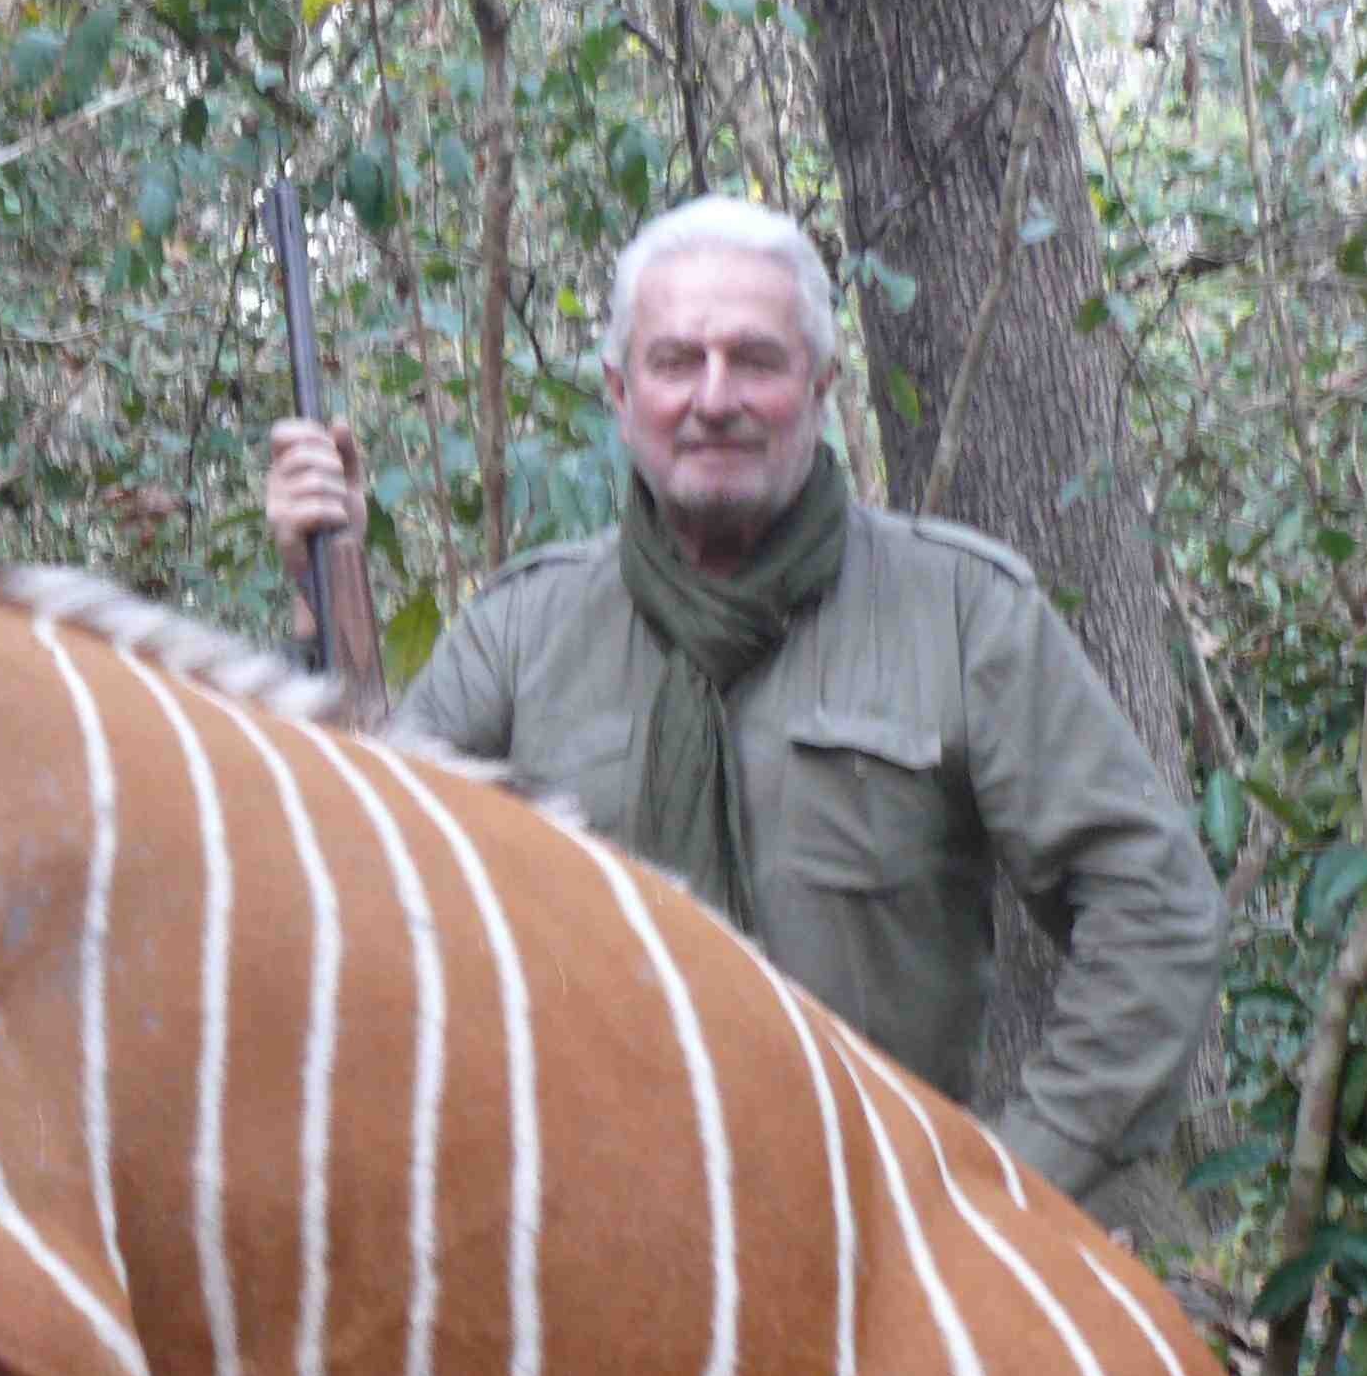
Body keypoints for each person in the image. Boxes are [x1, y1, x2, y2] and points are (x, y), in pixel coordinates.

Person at [263, 194, 1220, 1220]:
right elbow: (360, 880)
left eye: (755, 360)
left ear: (818, 386)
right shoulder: (523, 632)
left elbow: (1153, 909)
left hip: (880, 1257)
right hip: (579, 1257)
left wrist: (1003, 1193)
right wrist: (323, 608)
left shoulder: (961, 614)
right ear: (621, 394)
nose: (713, 397)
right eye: (676, 362)